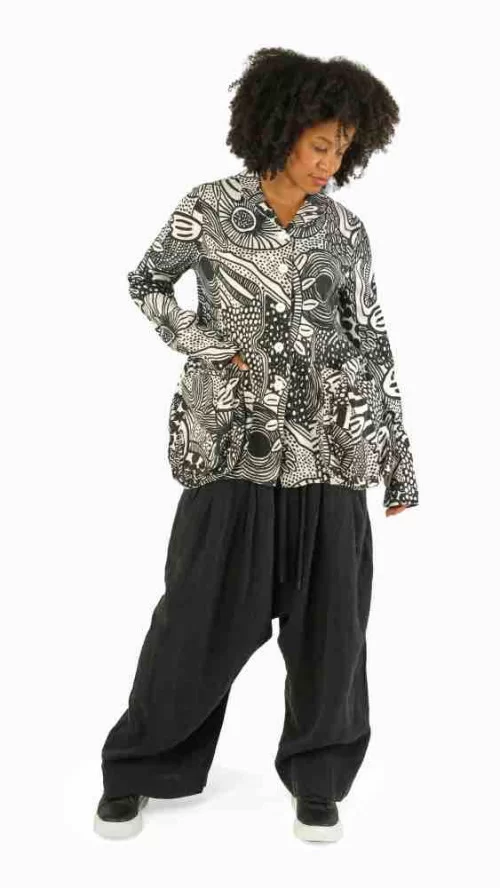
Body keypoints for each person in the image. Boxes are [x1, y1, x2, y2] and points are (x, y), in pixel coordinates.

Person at [93, 47, 419, 844]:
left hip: (330, 451)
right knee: (195, 618)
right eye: (320, 144)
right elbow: (147, 282)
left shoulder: (345, 230)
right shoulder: (208, 208)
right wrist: (205, 345)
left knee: (331, 628)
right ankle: (141, 767)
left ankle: (320, 779)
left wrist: (398, 460)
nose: (330, 162)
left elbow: (370, 338)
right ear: (278, 130)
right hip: (229, 445)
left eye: (343, 148)